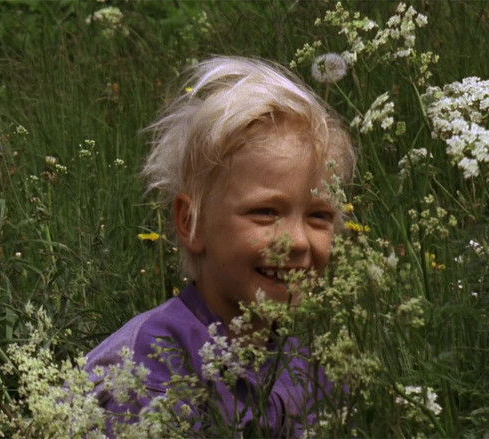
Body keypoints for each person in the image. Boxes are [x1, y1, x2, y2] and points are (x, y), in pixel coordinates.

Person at [86, 56, 355, 437]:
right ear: (190, 222)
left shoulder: (313, 367)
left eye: (319, 217)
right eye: (265, 212)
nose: (296, 241)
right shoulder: (148, 374)